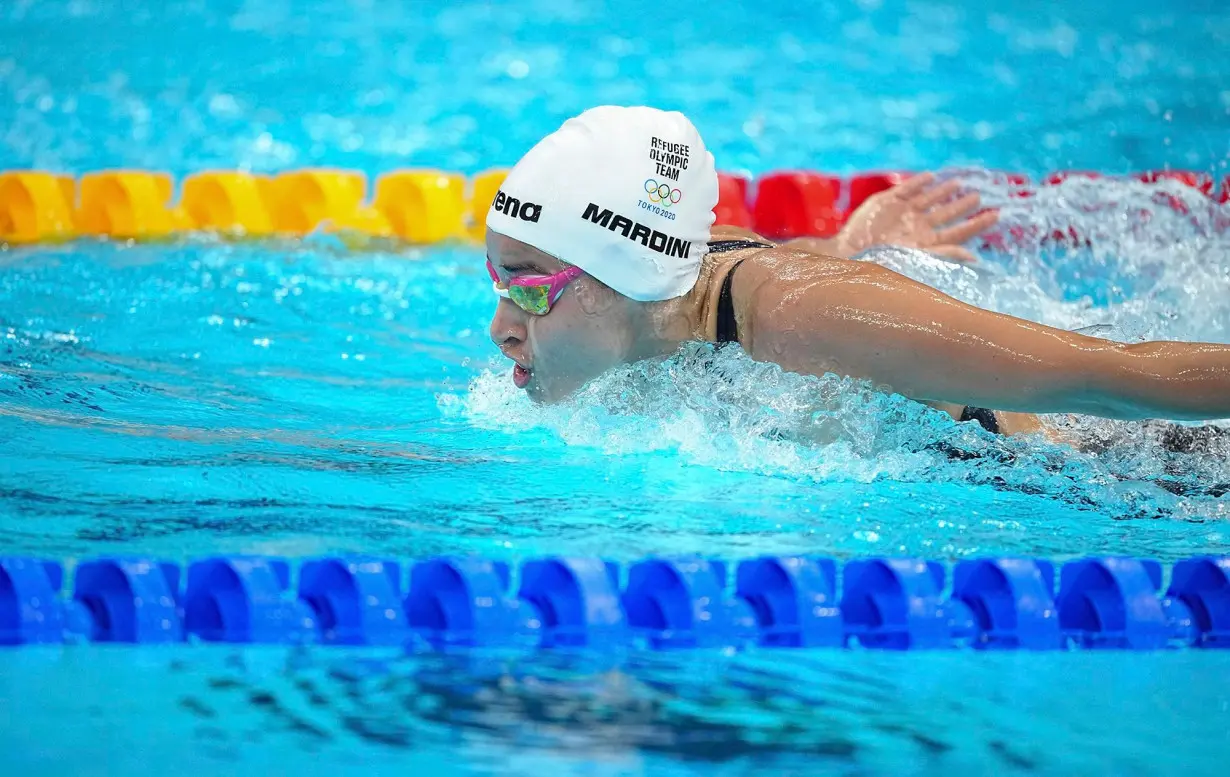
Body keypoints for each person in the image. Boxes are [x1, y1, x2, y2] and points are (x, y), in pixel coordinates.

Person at [484, 106, 1230, 436]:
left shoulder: (797, 317)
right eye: (497, 282)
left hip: (1144, 466)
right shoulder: (675, 288)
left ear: (625, 270)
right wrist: (850, 245)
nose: (501, 328)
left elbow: (1102, 373)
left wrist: (846, 276)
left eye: (526, 286)